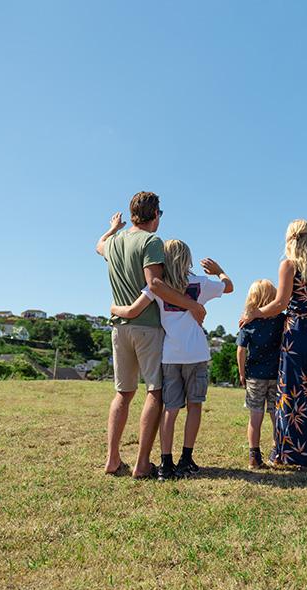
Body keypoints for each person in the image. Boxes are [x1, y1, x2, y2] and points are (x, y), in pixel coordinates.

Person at [95, 191, 206, 479]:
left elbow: (99, 246)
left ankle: (112, 459)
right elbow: (155, 283)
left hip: (119, 327)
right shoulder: (151, 241)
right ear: (156, 214)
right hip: (147, 327)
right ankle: (142, 463)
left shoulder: (115, 243)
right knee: (154, 392)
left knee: (123, 393)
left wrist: (113, 229)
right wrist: (192, 305)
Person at [110, 239, 233, 481]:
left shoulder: (158, 287)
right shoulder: (200, 283)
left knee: (170, 409)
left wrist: (114, 309)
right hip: (196, 353)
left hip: (170, 355)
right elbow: (228, 287)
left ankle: (166, 463)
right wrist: (219, 271)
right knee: (194, 406)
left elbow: (133, 311)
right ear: (187, 259)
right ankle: (186, 459)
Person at [241, 219, 307, 469]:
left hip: (296, 336)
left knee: (293, 394)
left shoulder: (288, 266)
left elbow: (280, 304)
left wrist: (255, 313)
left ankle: (299, 456)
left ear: (290, 238)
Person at [236, 280, 286, 469]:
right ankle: (277, 453)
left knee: (255, 418)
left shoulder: (248, 323)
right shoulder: (281, 320)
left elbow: (241, 350)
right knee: (276, 416)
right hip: (277, 375)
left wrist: (242, 373)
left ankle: (254, 457)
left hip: (255, 376)